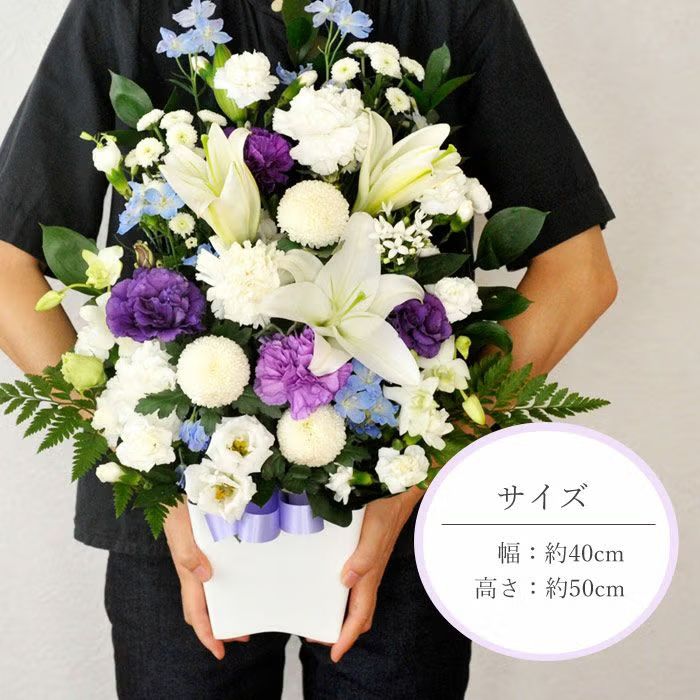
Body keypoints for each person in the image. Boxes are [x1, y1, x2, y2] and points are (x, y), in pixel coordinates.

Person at [0, 1, 618, 698]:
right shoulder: (128, 8)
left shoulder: (449, 10)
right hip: (181, 534)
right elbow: (7, 271)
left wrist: (415, 476)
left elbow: (579, 277)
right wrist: (150, 474)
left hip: (397, 528)